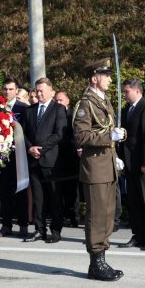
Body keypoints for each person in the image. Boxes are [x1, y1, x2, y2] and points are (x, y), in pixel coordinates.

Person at [73, 58, 124, 281]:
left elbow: (108, 130)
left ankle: (102, 258)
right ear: (95, 78)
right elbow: (81, 136)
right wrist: (109, 137)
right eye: (107, 76)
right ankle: (96, 262)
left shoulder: (103, 101)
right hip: (95, 168)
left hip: (107, 165)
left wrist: (116, 147)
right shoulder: (86, 103)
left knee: (108, 215)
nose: (111, 79)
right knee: (96, 215)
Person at [22, 77, 67, 243]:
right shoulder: (29, 110)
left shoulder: (58, 109)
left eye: (42, 91)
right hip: (33, 160)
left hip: (51, 161)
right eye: (37, 91)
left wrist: (41, 148)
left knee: (55, 197)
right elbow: (22, 134)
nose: (39, 94)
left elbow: (59, 134)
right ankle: (39, 229)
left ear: (51, 91)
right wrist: (29, 147)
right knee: (38, 198)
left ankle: (55, 230)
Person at [118, 79, 145, 251]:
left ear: (137, 91)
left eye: (127, 91)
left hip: (144, 163)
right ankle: (139, 235)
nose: (124, 94)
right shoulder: (128, 109)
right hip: (130, 163)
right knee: (135, 201)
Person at [0, 76, 29, 237]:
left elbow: (28, 131)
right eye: (6, 89)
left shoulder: (23, 108)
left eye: (11, 89)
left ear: (17, 90)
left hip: (20, 154)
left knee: (21, 190)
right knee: (4, 191)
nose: (8, 92)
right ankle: (6, 224)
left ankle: (23, 225)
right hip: (2, 155)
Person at [55, 90, 79, 228]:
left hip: (71, 156)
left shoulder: (72, 115)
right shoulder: (54, 114)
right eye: (56, 100)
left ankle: (73, 215)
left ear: (68, 101)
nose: (58, 103)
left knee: (72, 189)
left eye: (61, 100)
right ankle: (62, 214)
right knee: (60, 189)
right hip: (58, 156)